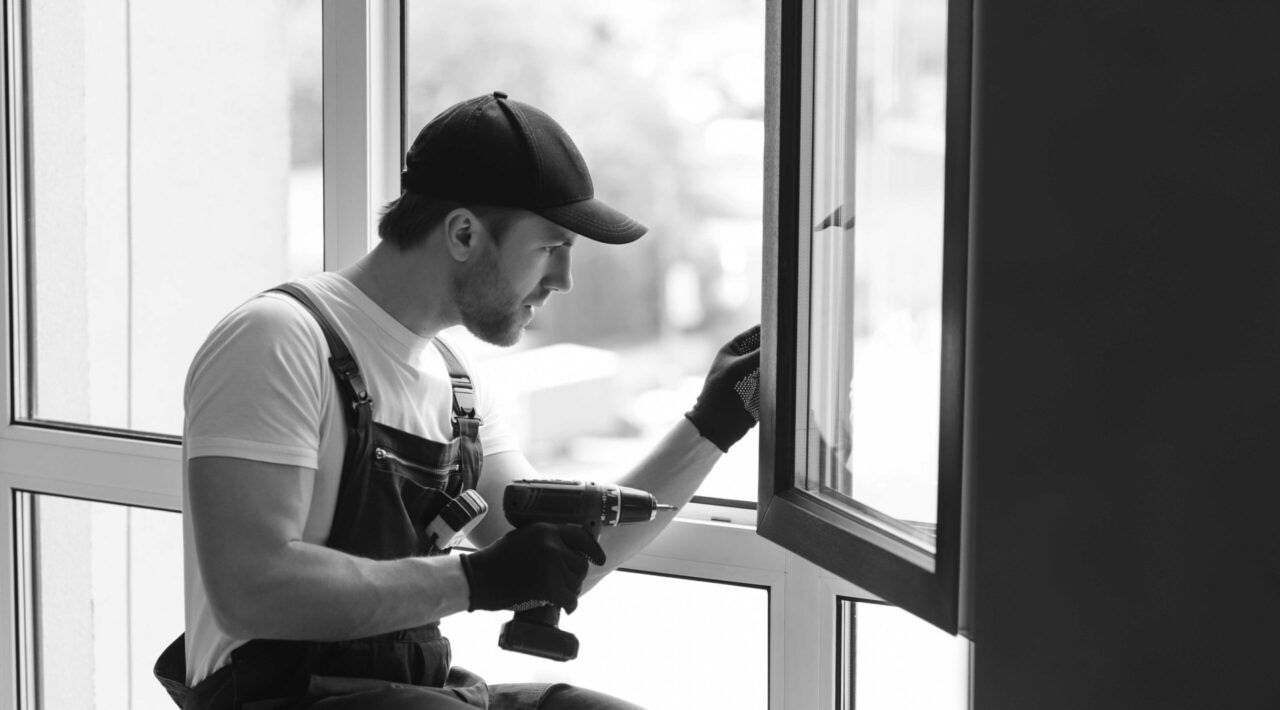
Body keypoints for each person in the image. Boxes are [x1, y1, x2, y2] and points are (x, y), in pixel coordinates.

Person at [153, 91, 760, 710]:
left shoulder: (455, 386)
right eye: (552, 248)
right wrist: (473, 578)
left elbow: (560, 561)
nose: (564, 280)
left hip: (415, 693)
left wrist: (713, 423)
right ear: (465, 233)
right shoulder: (277, 339)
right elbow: (249, 588)